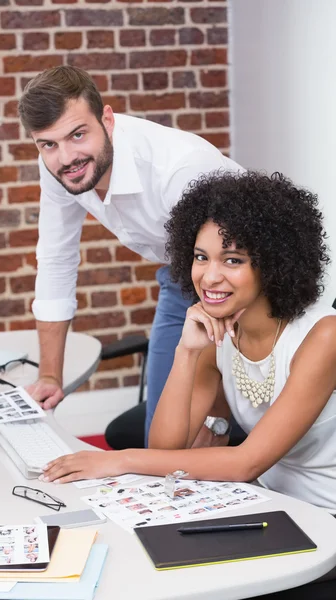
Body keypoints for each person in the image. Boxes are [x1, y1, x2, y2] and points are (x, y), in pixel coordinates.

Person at [39, 171, 336, 518]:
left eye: (233, 260)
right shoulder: (221, 331)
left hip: (324, 516)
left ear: (273, 264)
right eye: (200, 257)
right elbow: (165, 446)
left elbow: (245, 462)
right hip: (269, 501)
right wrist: (187, 351)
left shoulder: (323, 337)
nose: (209, 276)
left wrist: (117, 459)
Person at [18, 65, 242, 444]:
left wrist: (213, 417)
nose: (66, 156)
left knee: (203, 437)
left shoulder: (179, 169)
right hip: (180, 278)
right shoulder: (57, 163)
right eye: (48, 144)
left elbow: (228, 269)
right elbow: (56, 258)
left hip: (245, 280)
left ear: (107, 120)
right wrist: (50, 377)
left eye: (78, 134)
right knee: (162, 438)